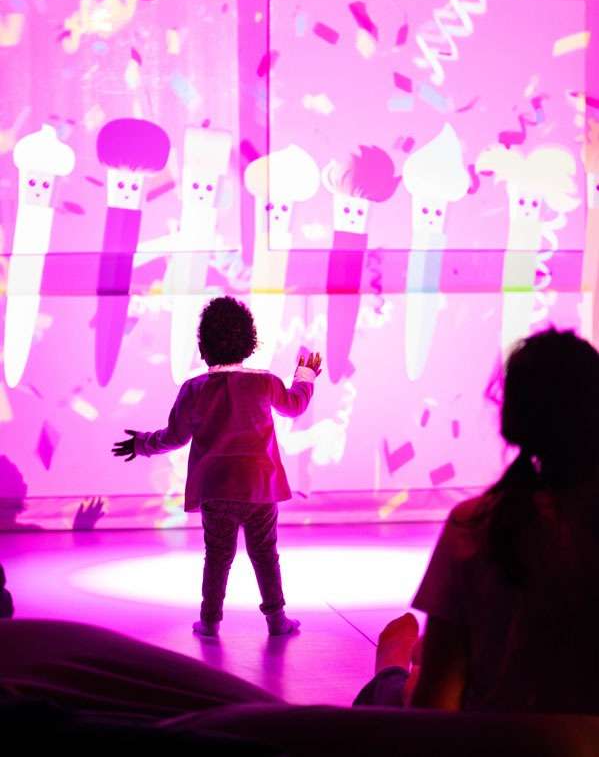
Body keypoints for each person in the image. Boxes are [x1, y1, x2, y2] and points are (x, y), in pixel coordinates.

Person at [356, 328, 599, 713]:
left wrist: (402, 666)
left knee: (389, 683)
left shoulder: (476, 526)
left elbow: (434, 709)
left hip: (495, 739)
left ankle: (390, 665)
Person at [113, 296, 321, 637]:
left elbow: (175, 437)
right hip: (259, 487)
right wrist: (305, 376)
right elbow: (295, 405)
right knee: (265, 554)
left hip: (216, 489)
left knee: (218, 556)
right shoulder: (265, 383)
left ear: (203, 346)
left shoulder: (194, 389)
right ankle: (276, 620)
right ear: (249, 343)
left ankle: (209, 622)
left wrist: (141, 444)